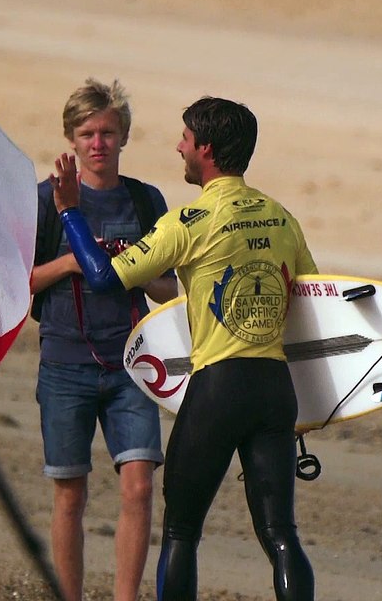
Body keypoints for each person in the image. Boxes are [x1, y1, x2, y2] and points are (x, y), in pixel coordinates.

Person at [50, 96, 318, 601]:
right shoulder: (282, 218)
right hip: (276, 390)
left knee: (181, 531)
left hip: (218, 387)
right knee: (281, 533)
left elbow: (105, 277)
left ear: (207, 150)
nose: (179, 147)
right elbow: (312, 301)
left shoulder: (190, 221)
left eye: (186, 140)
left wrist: (70, 215)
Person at [29, 78, 177, 601]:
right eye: (88, 133)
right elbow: (19, 283)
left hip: (133, 365)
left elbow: (169, 286)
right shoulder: (47, 200)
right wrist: (73, 261)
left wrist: (124, 266)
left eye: (108, 132)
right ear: (70, 138)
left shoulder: (144, 200)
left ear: (124, 137)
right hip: (65, 363)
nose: (98, 143)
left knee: (139, 485)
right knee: (70, 492)